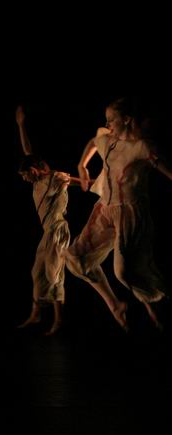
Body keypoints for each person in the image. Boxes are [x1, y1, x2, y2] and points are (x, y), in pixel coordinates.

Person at [66, 97, 172, 331]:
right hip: (105, 209)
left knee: (123, 272)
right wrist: (82, 165)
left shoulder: (141, 147)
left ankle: (159, 299)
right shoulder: (108, 140)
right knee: (75, 258)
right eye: (106, 120)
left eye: (111, 120)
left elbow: (167, 170)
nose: (107, 124)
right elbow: (94, 140)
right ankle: (115, 306)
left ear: (126, 119)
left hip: (129, 213)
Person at [14, 105, 89, 336]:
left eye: (25, 174)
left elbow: (75, 181)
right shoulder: (37, 181)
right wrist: (21, 125)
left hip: (58, 230)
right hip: (47, 232)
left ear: (34, 170)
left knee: (53, 273)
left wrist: (93, 182)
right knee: (37, 271)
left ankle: (59, 319)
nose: (24, 179)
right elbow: (28, 151)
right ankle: (36, 315)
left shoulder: (55, 178)